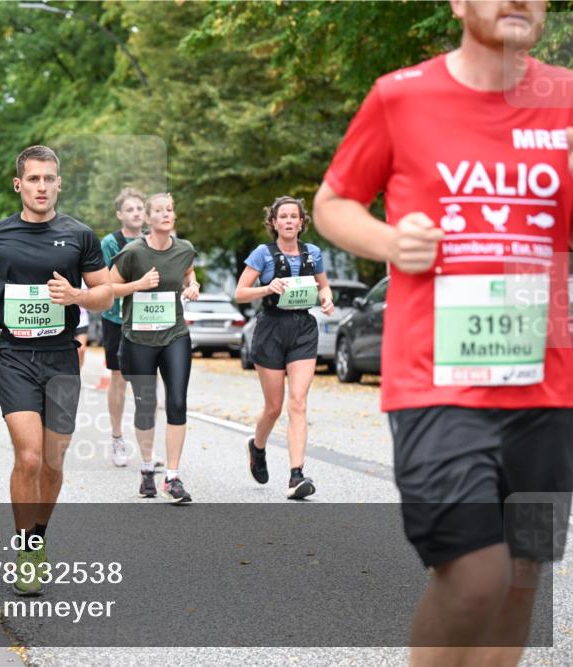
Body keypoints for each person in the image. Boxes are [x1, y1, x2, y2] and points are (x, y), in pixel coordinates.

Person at [312, 2, 572, 664]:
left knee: (521, 578)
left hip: (546, 387)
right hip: (436, 381)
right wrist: (392, 241)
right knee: (473, 576)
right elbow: (333, 202)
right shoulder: (402, 96)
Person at [0, 145, 112, 596]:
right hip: (13, 358)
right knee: (28, 457)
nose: (41, 187)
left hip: (63, 358)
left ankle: (38, 537)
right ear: (19, 184)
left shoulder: (80, 236)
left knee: (52, 461)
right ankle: (27, 549)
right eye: (33, 179)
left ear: (59, 184)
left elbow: (104, 292)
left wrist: (78, 297)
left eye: (49, 179)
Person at [233, 196, 334, 500]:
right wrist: (267, 287)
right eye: (284, 217)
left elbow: (323, 285)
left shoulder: (312, 253)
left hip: (303, 328)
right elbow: (240, 293)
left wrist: (327, 298)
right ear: (274, 222)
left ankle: (296, 475)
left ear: (302, 222)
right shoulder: (263, 254)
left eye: (295, 216)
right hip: (271, 329)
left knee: (299, 402)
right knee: (274, 407)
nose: (289, 221)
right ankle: (258, 447)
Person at [110, 193, 199, 503]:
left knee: (177, 402)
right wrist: (138, 285)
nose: (166, 214)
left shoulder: (184, 249)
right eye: (159, 211)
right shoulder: (133, 252)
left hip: (174, 334)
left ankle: (172, 477)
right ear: (148, 219)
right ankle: (147, 468)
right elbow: (108, 289)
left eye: (170, 210)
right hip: (138, 339)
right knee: (146, 405)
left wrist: (193, 286)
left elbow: (188, 274)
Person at [99, 188, 147, 467]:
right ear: (120, 214)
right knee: (119, 378)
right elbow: (105, 284)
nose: (136, 213)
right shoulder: (111, 243)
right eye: (130, 209)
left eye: (140, 208)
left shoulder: (155, 240)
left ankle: (147, 444)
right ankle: (117, 438)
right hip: (117, 319)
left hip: (148, 320)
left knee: (145, 379)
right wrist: (135, 285)